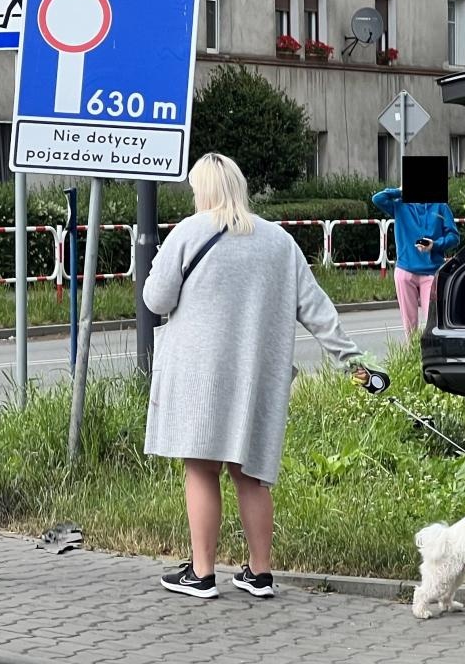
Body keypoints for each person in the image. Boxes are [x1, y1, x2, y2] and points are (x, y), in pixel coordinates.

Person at [144, 152, 371, 600]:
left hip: (200, 374)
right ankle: (260, 573)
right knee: (249, 473)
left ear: (204, 190)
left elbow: (155, 298)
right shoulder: (278, 241)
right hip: (258, 375)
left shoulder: (189, 232)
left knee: (201, 467)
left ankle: (202, 573)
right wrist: (354, 363)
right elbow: (316, 307)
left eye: (195, 190)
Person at [372, 184, 460, 336]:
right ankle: (412, 357)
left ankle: (430, 354)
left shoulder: (440, 206)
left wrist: (435, 245)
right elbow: (377, 199)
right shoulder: (400, 204)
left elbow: (454, 237)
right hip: (405, 271)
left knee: (432, 323)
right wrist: (399, 191)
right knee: (409, 327)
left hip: (431, 273)